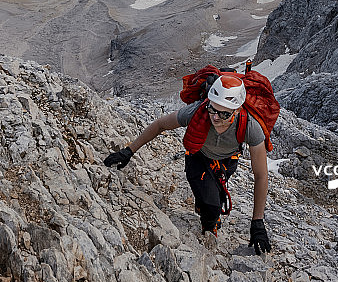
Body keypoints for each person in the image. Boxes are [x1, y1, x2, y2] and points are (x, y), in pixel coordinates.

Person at [104, 75, 272, 254]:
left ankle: (208, 205)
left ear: (237, 110)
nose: (215, 117)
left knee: (213, 196)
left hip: (227, 163)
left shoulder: (250, 127)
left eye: (224, 114)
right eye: (212, 109)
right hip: (198, 157)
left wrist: (257, 222)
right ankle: (209, 227)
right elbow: (160, 125)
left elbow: (261, 175)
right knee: (211, 206)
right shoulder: (196, 112)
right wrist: (129, 151)